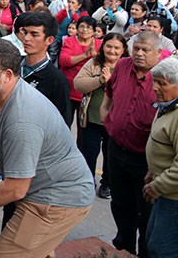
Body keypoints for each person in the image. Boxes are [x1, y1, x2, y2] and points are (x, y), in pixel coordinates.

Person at [0, 38, 94, 258]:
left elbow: (15, 188)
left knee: (6, 254)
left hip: (57, 197)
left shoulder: (22, 120)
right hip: (34, 188)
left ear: (8, 75)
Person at [100, 30, 161, 256]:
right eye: (136, 49)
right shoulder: (124, 66)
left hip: (146, 159)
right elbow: (109, 91)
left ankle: (145, 251)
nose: (140, 54)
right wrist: (105, 113)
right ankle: (124, 247)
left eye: (146, 50)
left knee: (146, 211)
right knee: (120, 204)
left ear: (158, 53)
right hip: (116, 149)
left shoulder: (164, 76)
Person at [74, 32, 128, 200]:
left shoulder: (127, 67)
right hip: (91, 118)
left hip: (115, 121)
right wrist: (99, 81)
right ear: (102, 46)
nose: (112, 51)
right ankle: (87, 183)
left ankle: (107, 184)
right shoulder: (94, 63)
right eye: (109, 46)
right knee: (88, 153)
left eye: (117, 47)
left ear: (123, 49)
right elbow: (79, 84)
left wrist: (111, 82)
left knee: (111, 155)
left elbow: (129, 93)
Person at [143, 57, 178, 258]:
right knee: (154, 242)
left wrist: (158, 185)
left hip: (176, 196)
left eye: (162, 83)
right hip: (164, 188)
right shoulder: (170, 103)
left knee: (163, 249)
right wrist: (153, 171)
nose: (155, 87)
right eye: (154, 82)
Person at [59, 15, 101, 117]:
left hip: (89, 90)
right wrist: (84, 55)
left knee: (84, 125)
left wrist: (94, 55)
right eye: (82, 26)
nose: (85, 30)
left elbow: (102, 64)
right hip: (69, 87)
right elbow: (64, 61)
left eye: (89, 27)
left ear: (94, 31)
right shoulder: (69, 41)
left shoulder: (100, 44)